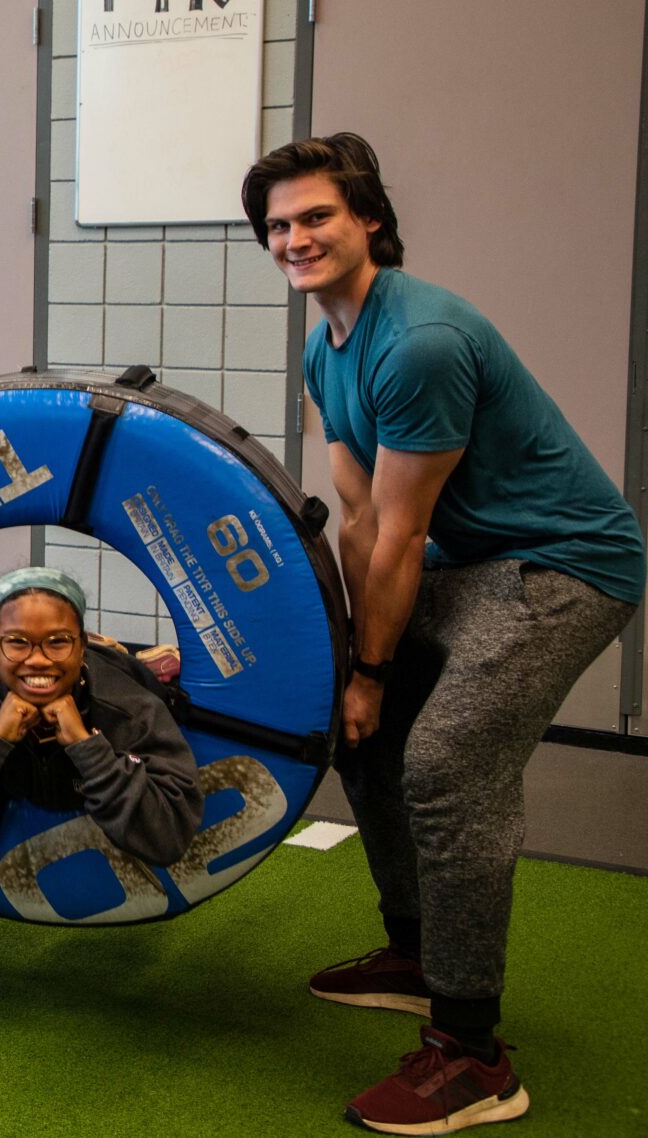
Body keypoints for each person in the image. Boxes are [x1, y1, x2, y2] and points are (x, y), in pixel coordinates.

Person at [243, 133, 644, 1135]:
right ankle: (417, 952)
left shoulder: (417, 341)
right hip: (464, 564)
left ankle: (472, 1054)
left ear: (369, 219)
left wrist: (373, 669)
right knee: (360, 732)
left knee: (447, 764)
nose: (295, 238)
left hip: (563, 566)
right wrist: (349, 668)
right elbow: (357, 517)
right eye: (278, 226)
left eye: (316, 217)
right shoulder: (324, 347)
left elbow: (400, 532)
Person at [0, 567, 201, 868]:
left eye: (57, 642)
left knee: (138, 676)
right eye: (17, 642)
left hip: (117, 675)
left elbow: (169, 839)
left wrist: (88, 747)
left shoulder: (131, 708)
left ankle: (125, 656)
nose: (38, 660)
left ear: (81, 647)